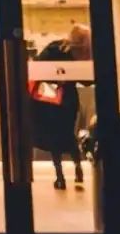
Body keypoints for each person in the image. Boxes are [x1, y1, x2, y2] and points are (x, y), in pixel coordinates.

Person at [30, 24, 91, 190]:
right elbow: (87, 81)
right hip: (69, 101)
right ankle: (78, 169)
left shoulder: (55, 48)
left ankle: (60, 177)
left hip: (50, 99)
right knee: (68, 135)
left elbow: (37, 67)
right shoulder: (82, 54)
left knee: (53, 138)